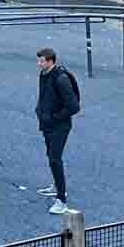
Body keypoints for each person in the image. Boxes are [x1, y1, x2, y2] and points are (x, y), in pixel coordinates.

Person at [35, 47, 80, 216]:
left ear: (51, 61)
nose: (39, 64)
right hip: (48, 123)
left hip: (59, 126)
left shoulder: (61, 79)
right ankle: (56, 185)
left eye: (42, 61)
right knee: (51, 156)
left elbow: (74, 106)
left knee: (55, 159)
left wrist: (55, 117)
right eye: (38, 60)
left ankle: (61, 199)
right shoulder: (45, 74)